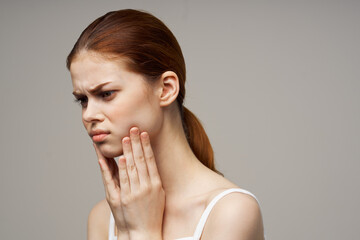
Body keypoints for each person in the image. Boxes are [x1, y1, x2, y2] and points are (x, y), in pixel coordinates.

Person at [66, 9, 265, 240]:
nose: (89, 114)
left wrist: (142, 232)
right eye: (82, 100)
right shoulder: (103, 218)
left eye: (106, 93)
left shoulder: (231, 212)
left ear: (167, 89)